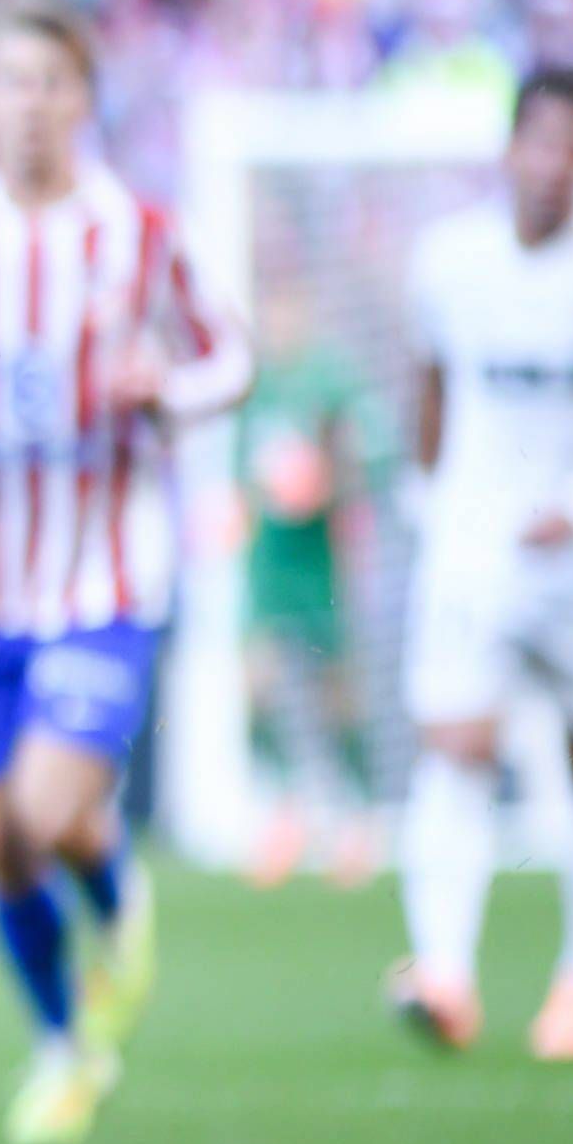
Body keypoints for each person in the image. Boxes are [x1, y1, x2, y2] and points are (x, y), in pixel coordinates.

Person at [0, 0, 251, 1144]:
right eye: (8, 82)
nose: (28, 105)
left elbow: (226, 354)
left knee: (43, 807)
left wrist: (164, 391)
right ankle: (62, 1045)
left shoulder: (133, 229)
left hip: (99, 574)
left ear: (82, 96)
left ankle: (116, 898)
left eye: (50, 82)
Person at [388, 68, 573, 1062]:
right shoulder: (448, 259)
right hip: (475, 544)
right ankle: (443, 971)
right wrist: (425, 499)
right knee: (454, 745)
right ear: (509, 147)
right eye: (537, 142)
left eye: (570, 147)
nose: (551, 165)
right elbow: (426, 386)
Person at [236, 277, 387, 887]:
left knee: (338, 696)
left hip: (322, 561)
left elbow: (378, 456)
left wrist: (328, 479)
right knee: (259, 690)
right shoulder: (255, 385)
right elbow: (240, 473)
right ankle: (285, 811)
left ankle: (358, 818)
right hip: (267, 562)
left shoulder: (334, 380)